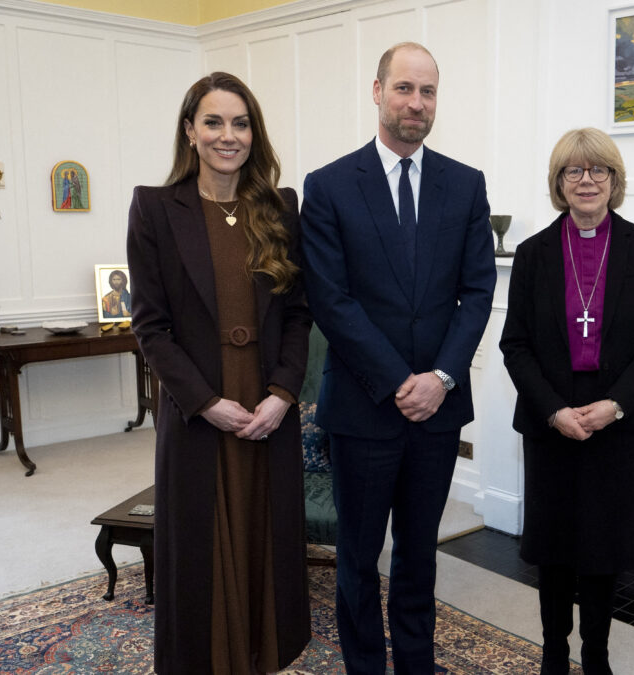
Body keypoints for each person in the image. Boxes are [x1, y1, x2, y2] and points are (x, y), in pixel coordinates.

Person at [300, 42, 496, 674]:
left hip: (437, 413)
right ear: (378, 90)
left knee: (419, 553)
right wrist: (396, 381)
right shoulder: (328, 186)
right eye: (405, 88)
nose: (417, 103)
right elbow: (332, 300)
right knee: (358, 558)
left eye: (428, 92)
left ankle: (415, 664)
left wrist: (440, 378)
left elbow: (477, 292)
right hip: (363, 409)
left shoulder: (465, 185)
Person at [127, 72, 312, 674]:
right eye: (213, 122)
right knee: (201, 543)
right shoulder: (155, 208)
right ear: (190, 131)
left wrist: (283, 394)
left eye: (240, 123)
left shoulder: (280, 208)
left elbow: (298, 314)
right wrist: (205, 402)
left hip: (267, 408)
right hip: (198, 410)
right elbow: (151, 327)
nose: (227, 135)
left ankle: (261, 655)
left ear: (253, 134)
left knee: (266, 535)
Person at [499, 127, 634, 675]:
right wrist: (554, 410)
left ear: (615, 180)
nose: (587, 180)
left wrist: (614, 405)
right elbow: (516, 344)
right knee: (554, 550)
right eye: (573, 171)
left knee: (603, 550)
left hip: (615, 421)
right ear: (559, 182)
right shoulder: (531, 254)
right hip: (552, 418)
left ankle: (596, 657)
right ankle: (555, 654)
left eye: (598, 170)